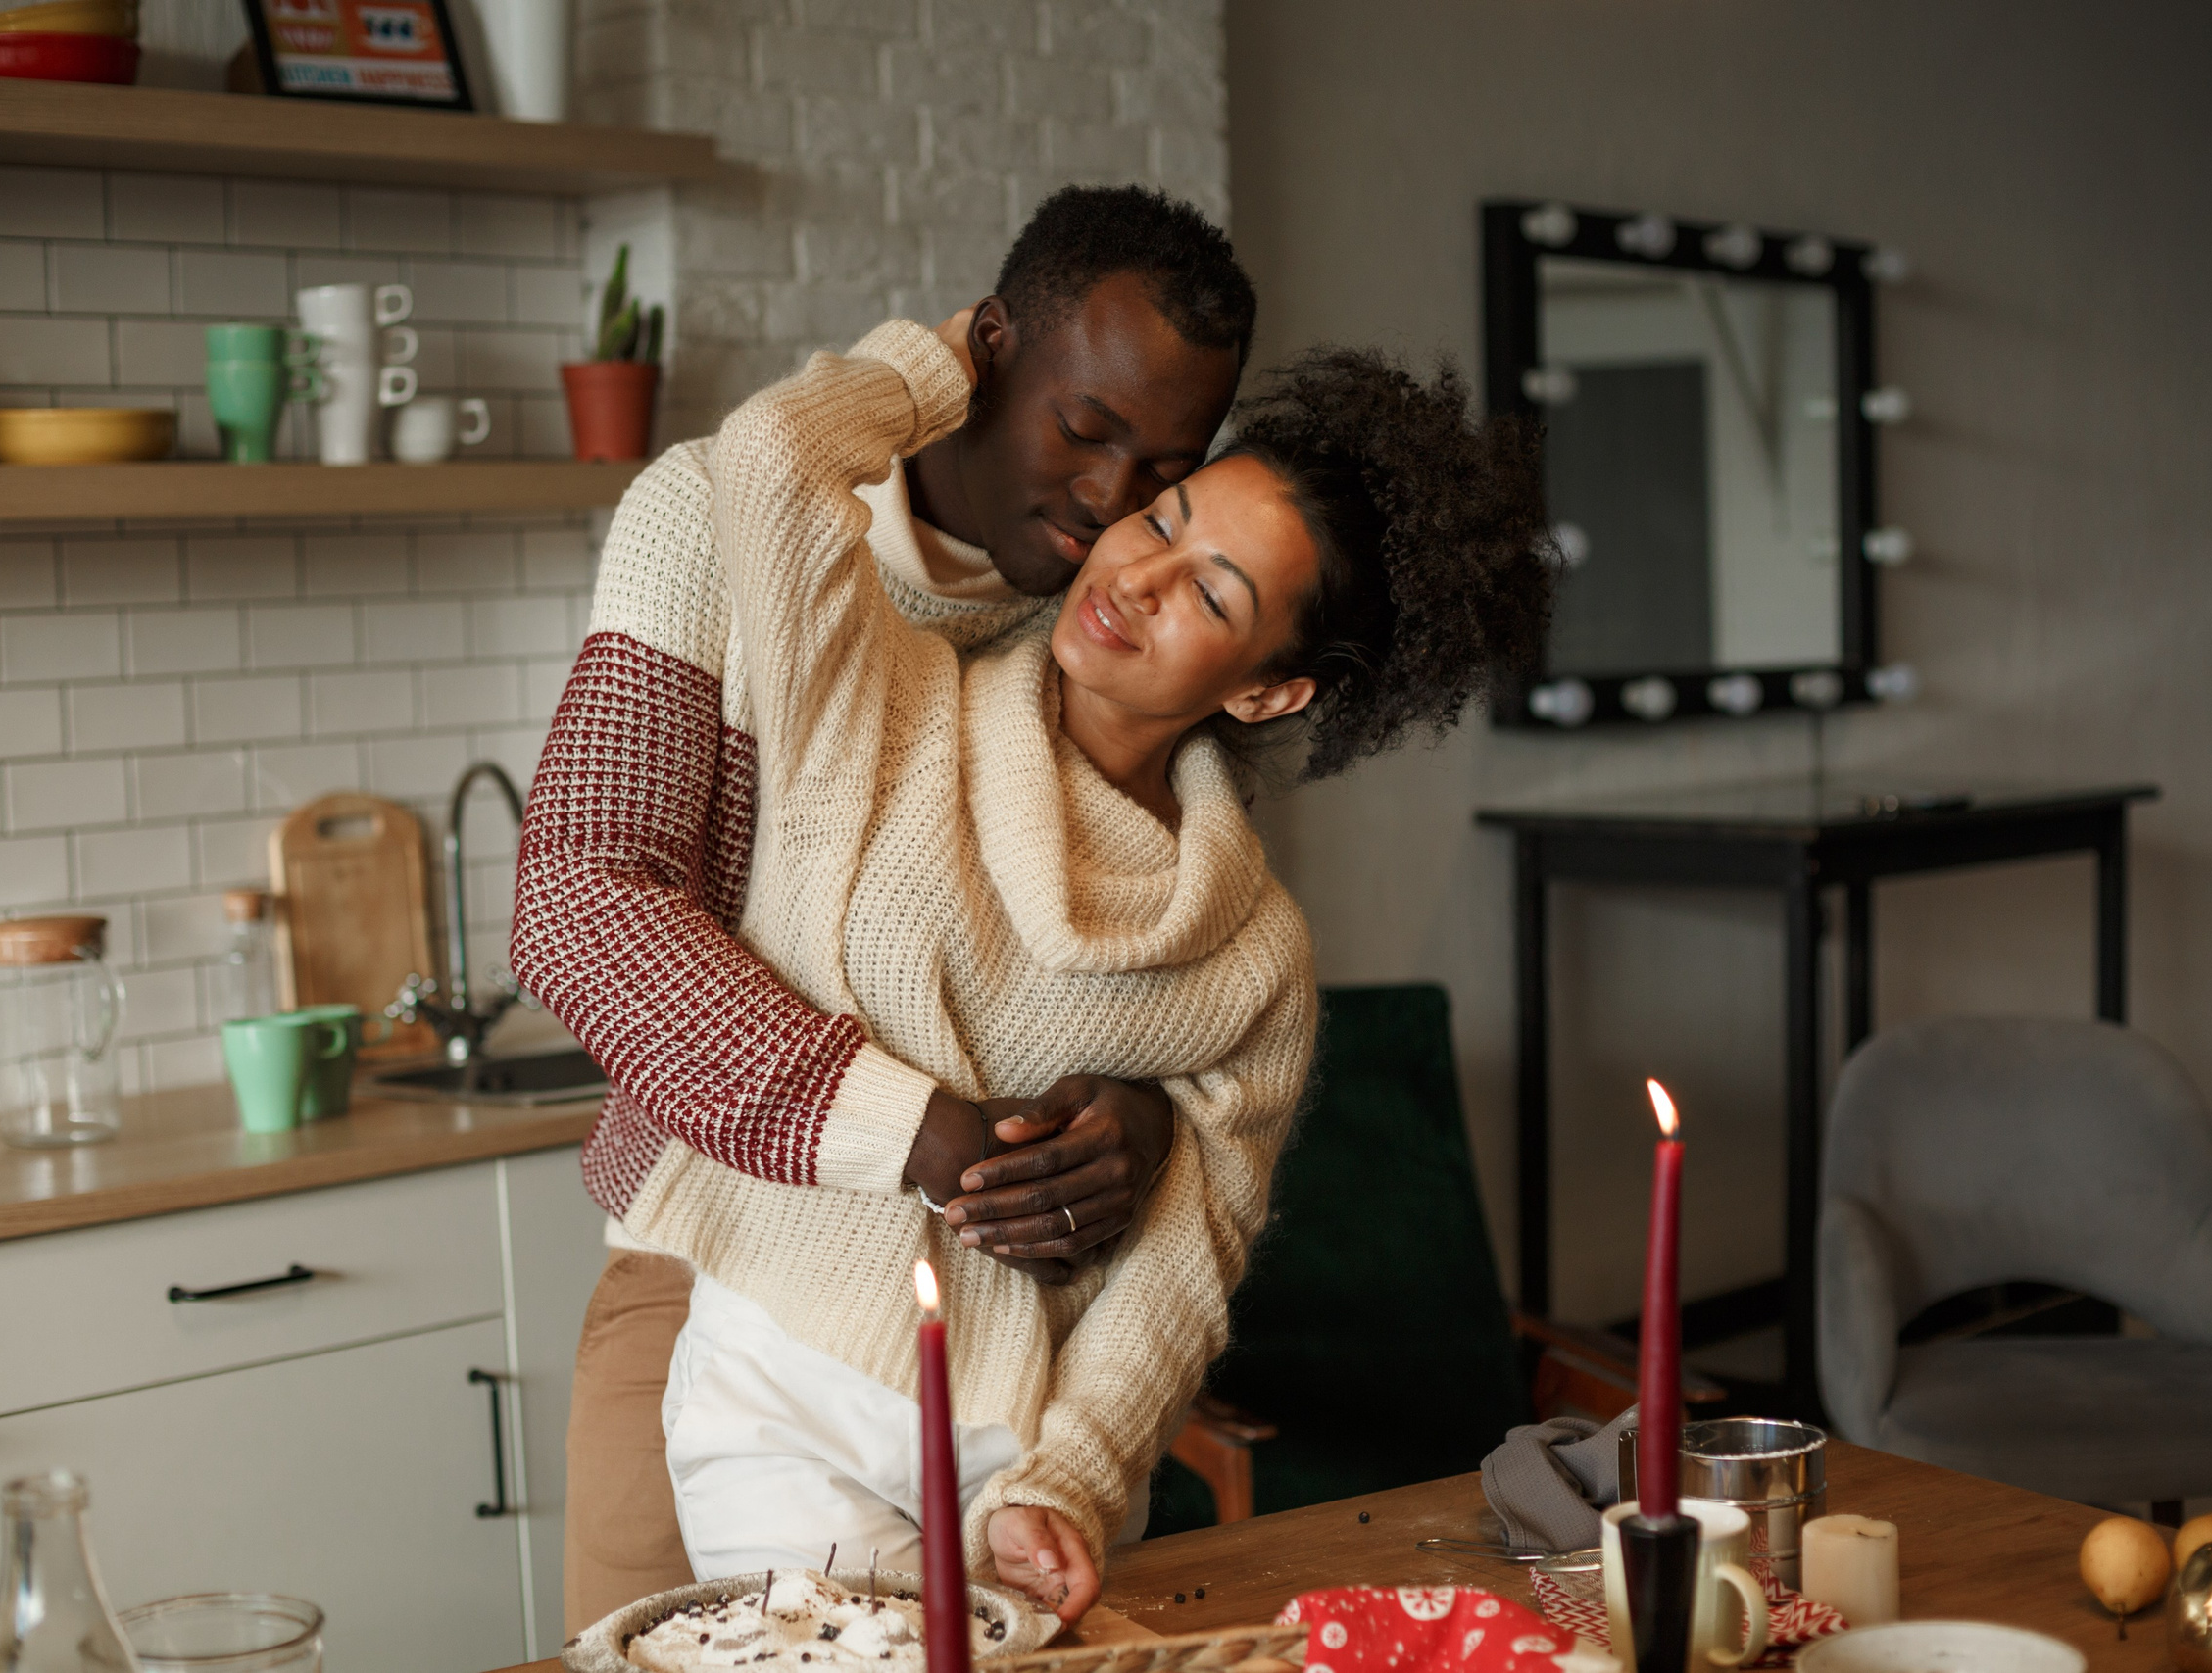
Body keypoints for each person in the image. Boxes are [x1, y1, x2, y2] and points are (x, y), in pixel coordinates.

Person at [618, 313, 1547, 1621]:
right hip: (778, 1395)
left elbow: (1184, 1265)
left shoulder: (1252, 954)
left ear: (1270, 693)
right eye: (1164, 524)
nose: (1142, 581)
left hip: (1015, 1463)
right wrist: (937, 369)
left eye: (1217, 594)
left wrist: (1068, 1480)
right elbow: (770, 454)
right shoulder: (886, 701)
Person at [513, 186, 1259, 1636]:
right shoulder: (721, 517)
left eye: (1164, 466)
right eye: (1086, 429)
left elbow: (1162, 976)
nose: (1113, 503)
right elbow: (586, 896)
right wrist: (926, 1131)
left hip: (1007, 1356)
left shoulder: (1115, 620)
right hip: (712, 1272)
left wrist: (1144, 1120)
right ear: (985, 352)